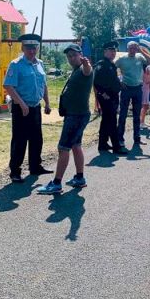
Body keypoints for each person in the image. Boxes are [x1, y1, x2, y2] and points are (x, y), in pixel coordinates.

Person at [37, 44, 93, 194]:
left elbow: (88, 71)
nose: (71, 58)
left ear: (80, 55)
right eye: (69, 56)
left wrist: (86, 64)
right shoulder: (75, 70)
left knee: (63, 148)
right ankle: (79, 178)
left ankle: (56, 183)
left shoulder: (83, 69)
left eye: (74, 55)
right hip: (76, 114)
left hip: (76, 116)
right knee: (76, 145)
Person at [3, 34, 53, 183]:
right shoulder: (16, 64)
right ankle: (15, 171)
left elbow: (43, 84)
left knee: (37, 138)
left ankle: (35, 166)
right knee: (20, 140)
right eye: (28, 48)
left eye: (34, 47)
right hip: (21, 108)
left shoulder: (40, 63)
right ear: (22, 48)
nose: (32, 51)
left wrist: (47, 103)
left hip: (35, 106)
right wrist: (22, 104)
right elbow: (8, 86)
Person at [116, 41, 150, 148]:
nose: (133, 50)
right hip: (126, 89)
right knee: (123, 115)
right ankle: (120, 139)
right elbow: (111, 68)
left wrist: (141, 50)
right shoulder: (122, 59)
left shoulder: (140, 57)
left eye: (134, 48)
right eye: (131, 48)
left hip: (138, 89)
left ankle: (137, 139)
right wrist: (119, 81)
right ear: (127, 49)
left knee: (136, 116)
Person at [93, 41, 128, 155]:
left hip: (112, 96)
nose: (113, 53)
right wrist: (103, 93)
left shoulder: (111, 64)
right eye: (111, 50)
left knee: (106, 120)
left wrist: (119, 84)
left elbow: (112, 79)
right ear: (105, 52)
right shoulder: (102, 64)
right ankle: (116, 147)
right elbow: (96, 81)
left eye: (114, 51)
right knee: (112, 121)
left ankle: (102, 144)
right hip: (106, 97)